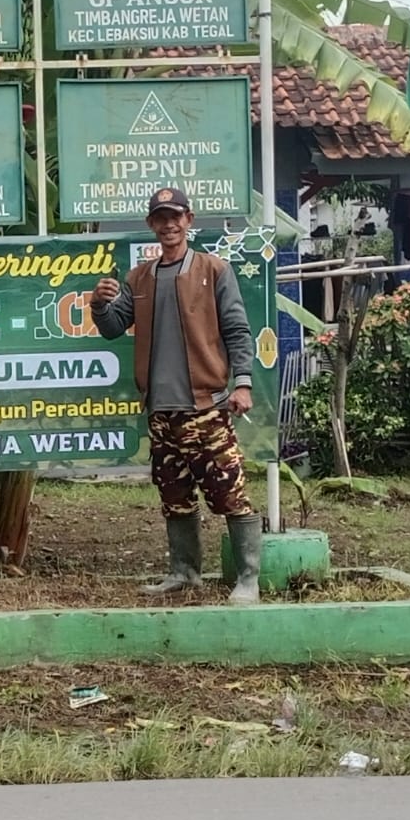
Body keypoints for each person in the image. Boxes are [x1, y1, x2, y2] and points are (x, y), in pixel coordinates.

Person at [90, 187, 262, 604]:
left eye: (176, 217)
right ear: (151, 224)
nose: (169, 224)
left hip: (206, 407)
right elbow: (113, 327)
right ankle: (185, 573)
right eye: (161, 218)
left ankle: (248, 578)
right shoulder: (139, 278)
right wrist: (98, 305)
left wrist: (242, 383)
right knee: (174, 496)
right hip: (161, 411)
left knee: (229, 492)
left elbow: (238, 330)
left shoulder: (214, 270)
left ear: (189, 220)